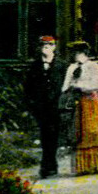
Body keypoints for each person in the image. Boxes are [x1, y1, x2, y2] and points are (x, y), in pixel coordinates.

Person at [62, 41, 98, 175]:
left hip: (91, 102)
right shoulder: (71, 68)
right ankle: (83, 167)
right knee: (79, 134)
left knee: (94, 131)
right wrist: (69, 89)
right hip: (78, 102)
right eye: (73, 53)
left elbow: (96, 85)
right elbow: (65, 86)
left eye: (77, 52)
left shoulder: (93, 66)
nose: (75, 55)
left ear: (84, 53)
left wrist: (79, 85)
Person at [23, 35, 64, 179]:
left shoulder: (61, 65)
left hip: (56, 106)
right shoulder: (35, 66)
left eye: (48, 45)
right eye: (42, 46)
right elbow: (28, 87)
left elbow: (65, 86)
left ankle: (49, 164)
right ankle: (48, 165)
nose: (45, 48)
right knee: (44, 135)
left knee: (53, 136)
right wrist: (32, 105)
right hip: (41, 107)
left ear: (54, 47)